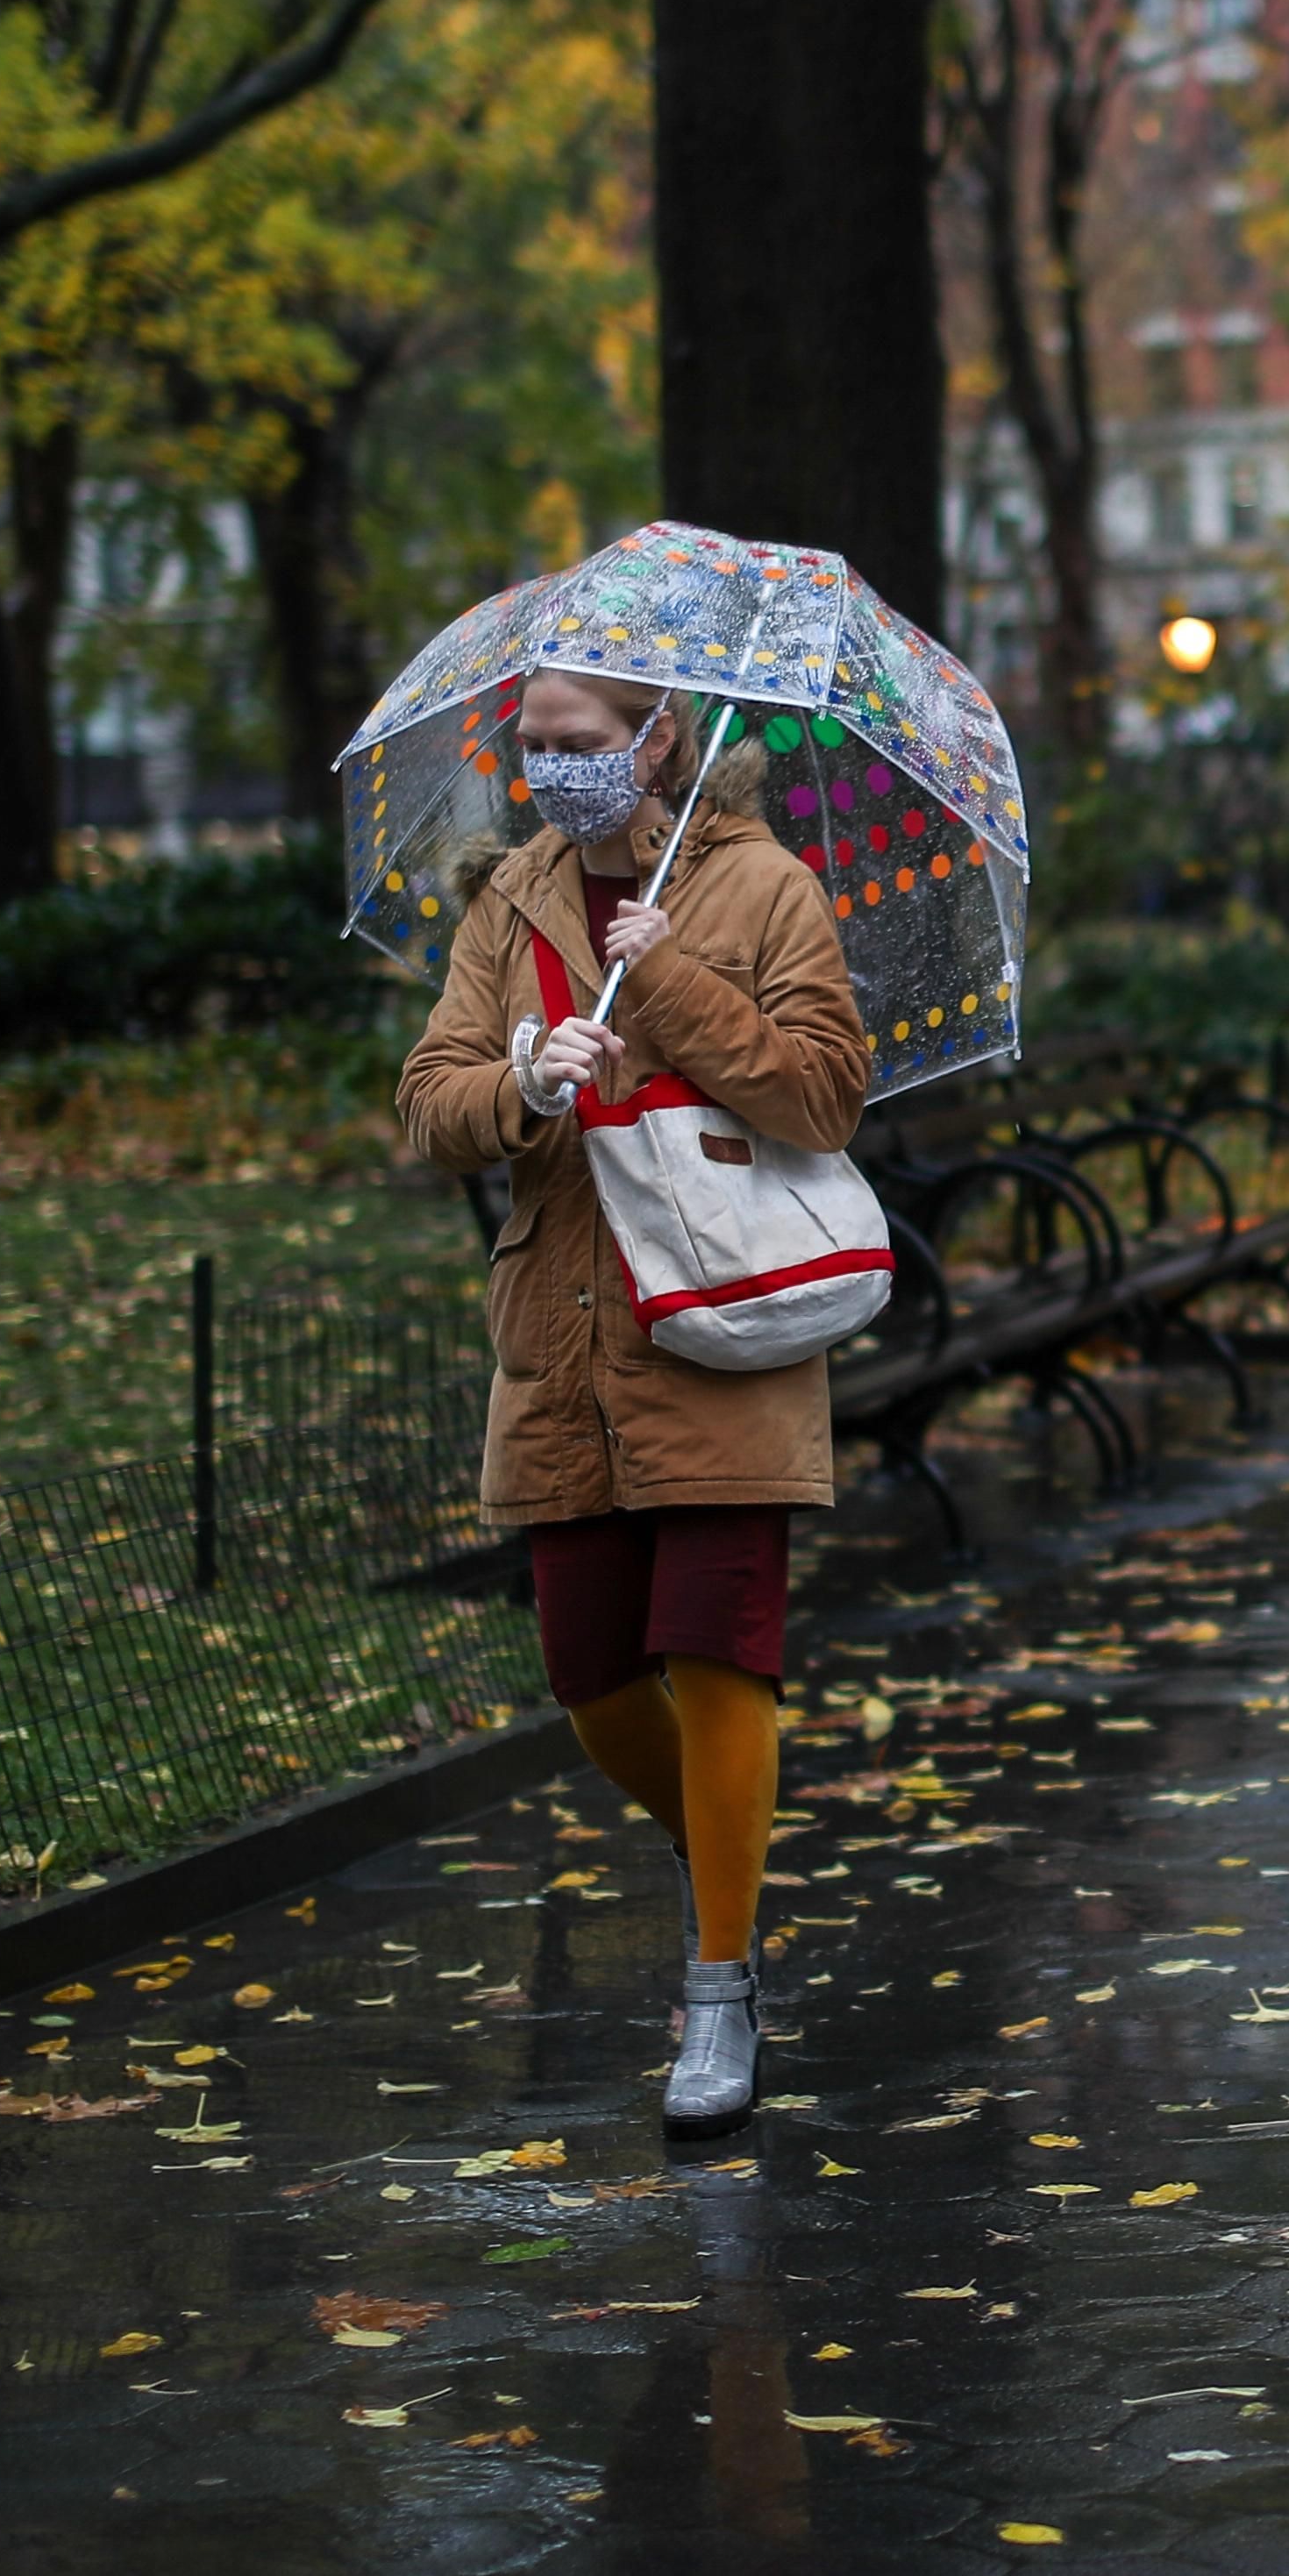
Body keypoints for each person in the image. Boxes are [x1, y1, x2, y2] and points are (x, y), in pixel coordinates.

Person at [398, 674, 869, 2132]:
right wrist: (524, 1081)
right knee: (593, 1676)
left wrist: (668, 981)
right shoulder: (509, 904)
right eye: (533, 747)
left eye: (582, 746)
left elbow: (827, 1095)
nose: (552, 772)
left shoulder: (760, 887)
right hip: (562, 1329)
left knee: (718, 1655)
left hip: (724, 1329)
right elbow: (427, 1103)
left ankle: (719, 1982)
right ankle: (730, 1854)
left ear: (659, 740)